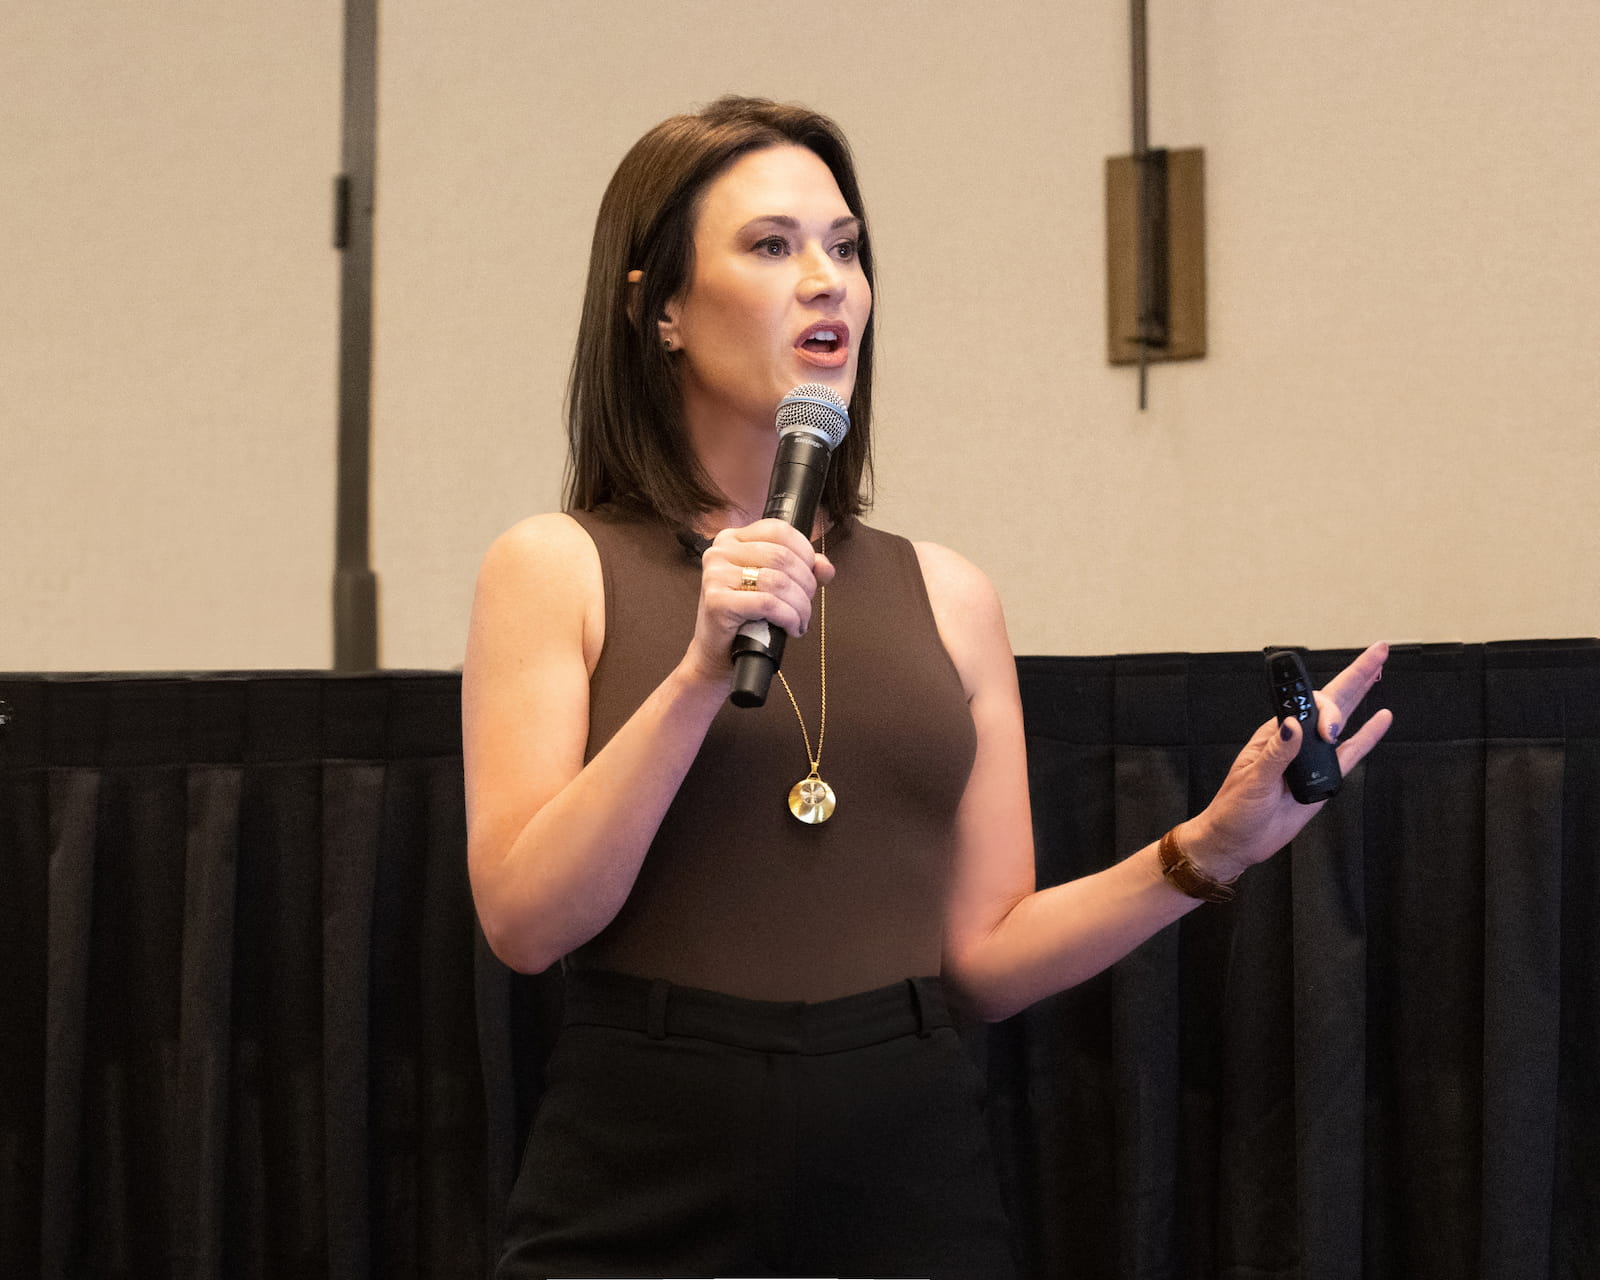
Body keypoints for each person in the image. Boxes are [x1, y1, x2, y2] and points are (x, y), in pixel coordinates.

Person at [462, 95, 1392, 1280]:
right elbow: (527, 921)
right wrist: (701, 671)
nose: (828, 282)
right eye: (771, 245)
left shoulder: (947, 593)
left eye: (844, 247)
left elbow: (984, 958)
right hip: (644, 1137)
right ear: (661, 311)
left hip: (902, 1143)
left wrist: (1209, 845)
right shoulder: (556, 565)